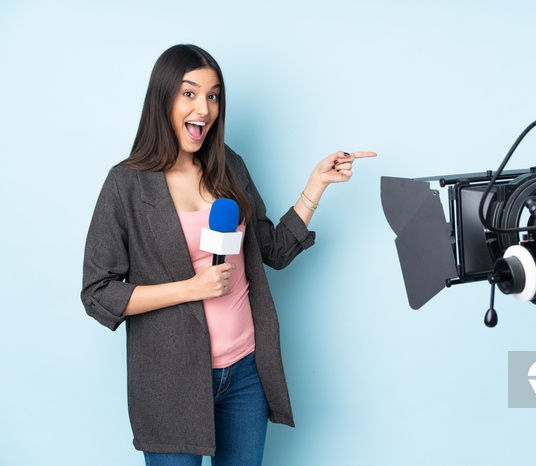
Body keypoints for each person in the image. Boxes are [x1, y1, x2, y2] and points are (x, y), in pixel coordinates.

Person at [81, 44, 375, 466]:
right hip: (170, 382)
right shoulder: (126, 184)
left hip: (245, 375)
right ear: (162, 98)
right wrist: (190, 289)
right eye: (189, 93)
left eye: (213, 95)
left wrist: (316, 184)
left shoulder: (229, 166)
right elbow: (97, 293)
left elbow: (271, 250)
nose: (204, 107)